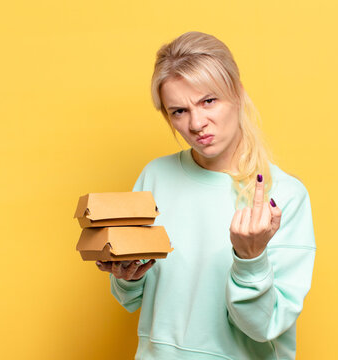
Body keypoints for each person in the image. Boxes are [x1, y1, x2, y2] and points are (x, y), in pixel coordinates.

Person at [95, 31, 316, 360]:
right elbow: (133, 298)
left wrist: (250, 260)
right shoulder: (155, 176)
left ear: (238, 94)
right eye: (178, 111)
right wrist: (126, 274)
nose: (197, 123)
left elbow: (264, 327)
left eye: (208, 101)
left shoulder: (284, 195)